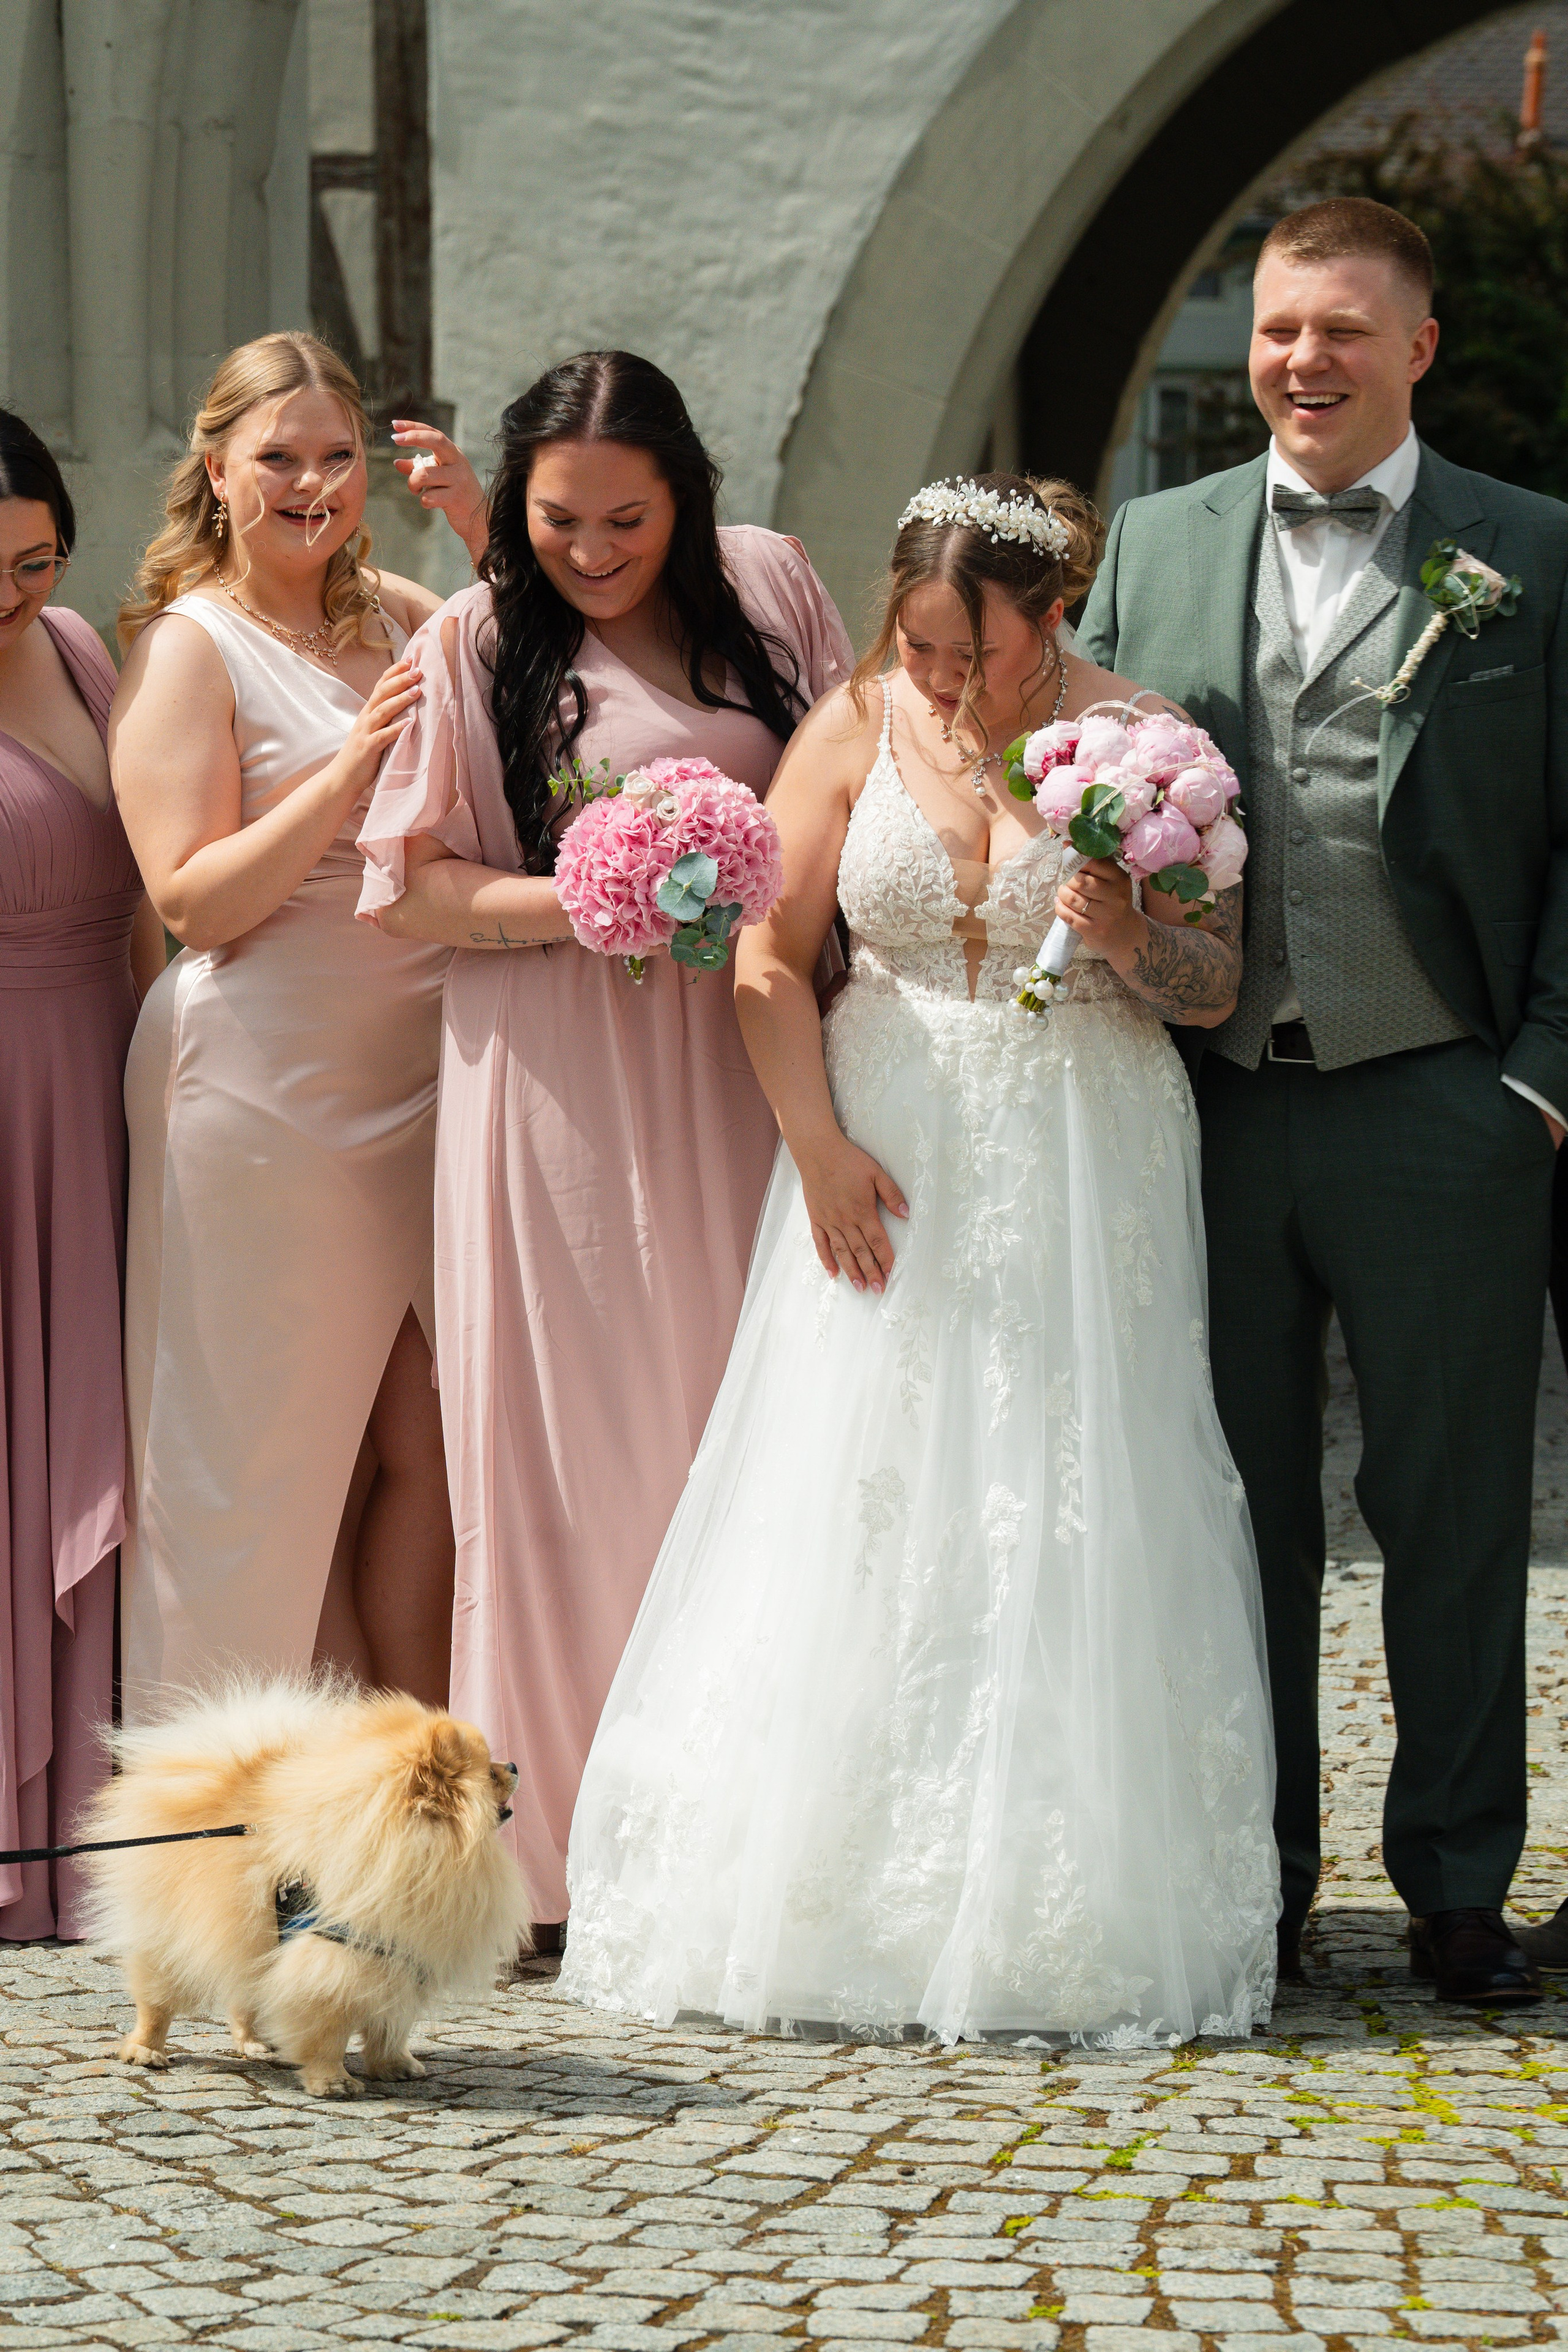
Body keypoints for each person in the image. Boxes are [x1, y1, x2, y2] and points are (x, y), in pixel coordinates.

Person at [557, 472, 1280, 2044]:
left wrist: (1120, 941)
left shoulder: (1146, 747)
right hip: (877, 1128)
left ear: (1055, 617)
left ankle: (1060, 1895)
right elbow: (765, 952)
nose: (945, 680)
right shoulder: (853, 722)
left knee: (1068, 1479)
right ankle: (828, 1882)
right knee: (855, 1479)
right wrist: (812, 1143)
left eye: (981, 649)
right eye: (924, 644)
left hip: (1086, 1138)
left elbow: (1211, 986)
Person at [1079, 197, 1568, 2007]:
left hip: (1447, 1099)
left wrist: (1538, 1086)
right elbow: (1089, 790)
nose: (1302, 361)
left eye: (1344, 331)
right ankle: (1254, 1881)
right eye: (1282, 327)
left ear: (1416, 347)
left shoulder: (1532, 554)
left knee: (1451, 1511)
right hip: (1206, 1106)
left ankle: (1455, 1884)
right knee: (1233, 1511)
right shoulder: (1159, 535)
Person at [356, 350, 854, 1938]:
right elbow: (414, 888)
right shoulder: (477, 637)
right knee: (562, 1475)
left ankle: (752, 1839)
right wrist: (579, 902)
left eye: (625, 519)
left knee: (747, 1441)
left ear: (686, 497)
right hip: (552, 1090)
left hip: (741, 1068)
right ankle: (563, 1868)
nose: (590, 550)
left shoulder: (773, 592)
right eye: (559, 521)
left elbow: (853, 800)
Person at [111, 333, 454, 1714]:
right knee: (256, 1467)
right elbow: (195, 904)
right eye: (278, 459)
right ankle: (227, 1831)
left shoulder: (406, 613)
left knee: (428, 1454)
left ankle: (413, 1782)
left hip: (428, 1070)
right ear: (216, 467)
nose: (312, 483)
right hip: (260, 1087)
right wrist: (347, 772)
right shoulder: (189, 649)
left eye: (336, 456)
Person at [0, 411, 164, 1937]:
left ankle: (69, 1817)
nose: (8, 591)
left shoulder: (84, 655)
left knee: (92, 1431)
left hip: (101, 1084)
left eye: (34, 559)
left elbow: (143, 906)